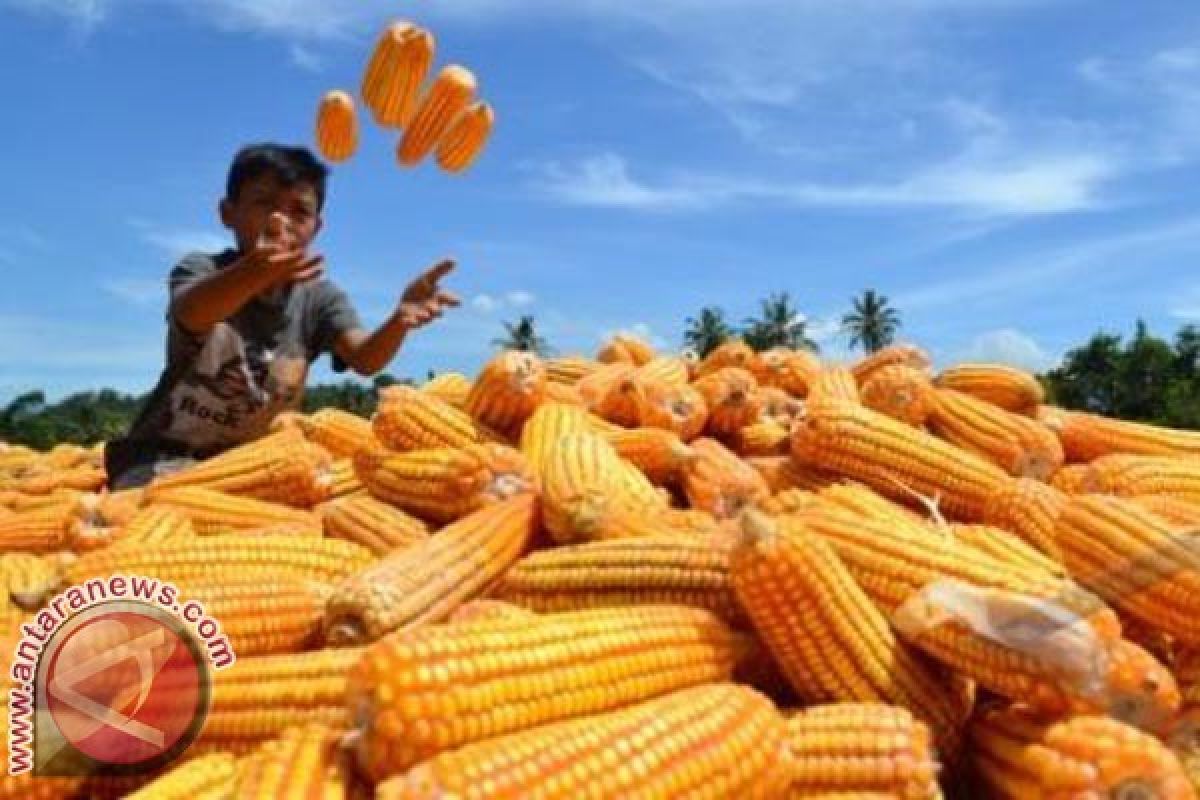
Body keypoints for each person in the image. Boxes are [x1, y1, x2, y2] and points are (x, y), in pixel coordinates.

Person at [104, 143, 459, 489]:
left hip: (255, 465)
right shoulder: (205, 270)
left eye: (299, 212)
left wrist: (398, 322)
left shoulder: (320, 298)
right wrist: (252, 272)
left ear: (316, 228)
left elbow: (365, 358)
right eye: (264, 203)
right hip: (159, 458)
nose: (281, 220)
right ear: (228, 213)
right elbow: (193, 312)